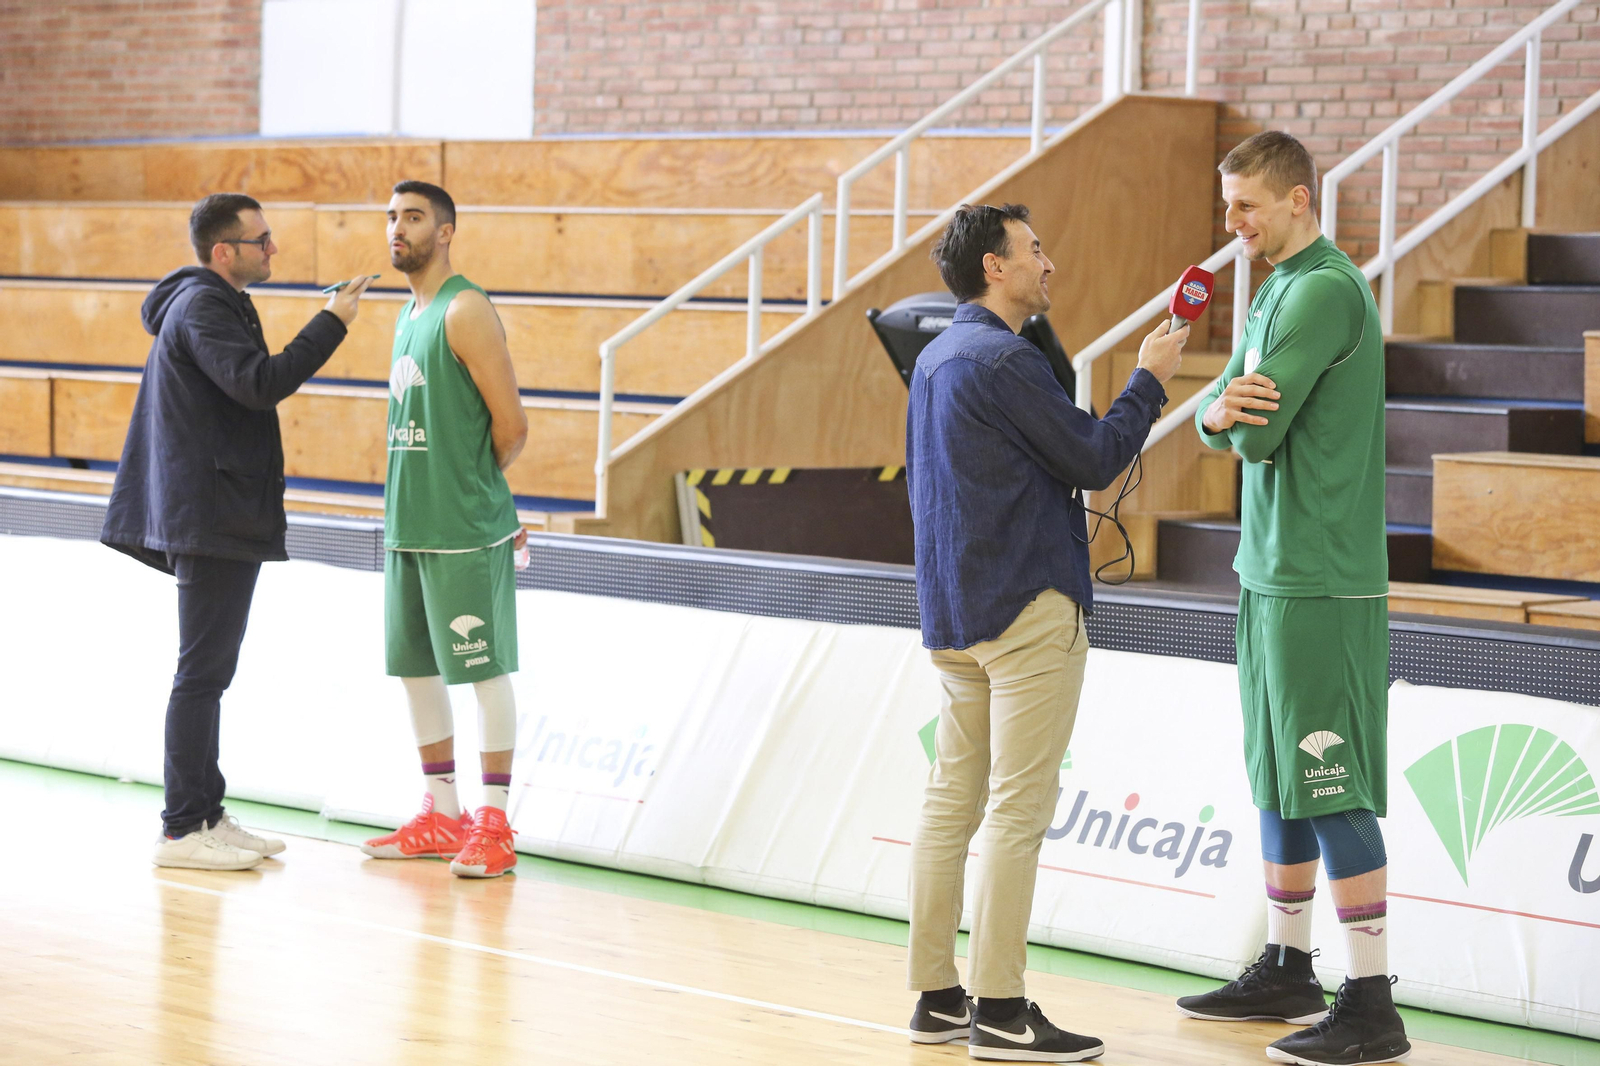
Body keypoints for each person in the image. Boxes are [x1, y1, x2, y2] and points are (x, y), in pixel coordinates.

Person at [904, 202, 1187, 1062]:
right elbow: (1096, 458)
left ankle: (938, 998)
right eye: (1034, 249)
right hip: (1026, 609)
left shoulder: (933, 358)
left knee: (951, 802)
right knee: (1016, 812)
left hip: (953, 612)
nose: (1048, 262)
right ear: (995, 267)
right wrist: (1149, 381)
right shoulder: (1007, 360)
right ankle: (999, 1009)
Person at [1175, 130, 1408, 1066]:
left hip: (1323, 577)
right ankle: (1286, 965)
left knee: (1328, 782)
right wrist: (1215, 409)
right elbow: (1214, 409)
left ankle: (1374, 1002)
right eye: (1227, 203)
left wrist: (1225, 415)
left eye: (1246, 205)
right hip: (1267, 570)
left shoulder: (1320, 291)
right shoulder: (1272, 287)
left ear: (1298, 199)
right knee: (1277, 776)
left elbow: (1254, 436)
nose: (1230, 221)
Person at [102, 193, 372, 871]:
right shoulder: (202, 306)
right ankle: (181, 829)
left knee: (209, 673)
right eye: (261, 240)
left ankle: (205, 813)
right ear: (224, 252)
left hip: (216, 510)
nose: (272, 248)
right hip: (211, 513)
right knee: (201, 675)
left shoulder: (214, 302)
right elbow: (258, 383)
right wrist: (332, 323)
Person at [359, 181, 529, 879]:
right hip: (408, 527)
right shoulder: (408, 313)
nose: (397, 228)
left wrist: (474, 494)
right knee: (416, 672)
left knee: (483, 673)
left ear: (447, 231)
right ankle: (443, 813)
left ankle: (495, 823)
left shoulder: (465, 309)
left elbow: (511, 427)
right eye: (391, 217)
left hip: (464, 530)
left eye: (413, 217)